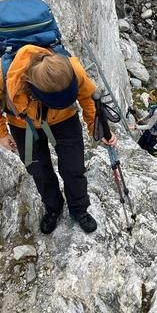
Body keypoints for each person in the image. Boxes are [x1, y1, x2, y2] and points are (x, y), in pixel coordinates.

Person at [0, 45, 117, 234]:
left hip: (64, 119)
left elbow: (88, 97)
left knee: (74, 167)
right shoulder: (5, 76)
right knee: (39, 170)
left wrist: (97, 128)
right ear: (33, 91)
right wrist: (3, 133)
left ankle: (79, 209)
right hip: (24, 125)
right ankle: (53, 207)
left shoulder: (73, 68)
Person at [129, 89, 157, 157]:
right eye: (149, 96)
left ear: (156, 100)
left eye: (150, 98)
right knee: (140, 144)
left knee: (147, 148)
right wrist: (142, 119)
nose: (148, 99)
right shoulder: (155, 106)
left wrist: (135, 127)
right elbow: (150, 115)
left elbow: (149, 126)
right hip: (153, 129)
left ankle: (156, 153)